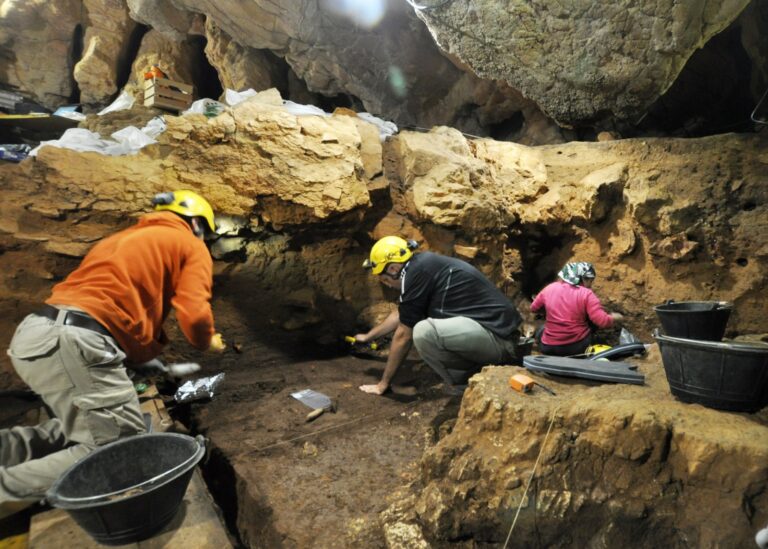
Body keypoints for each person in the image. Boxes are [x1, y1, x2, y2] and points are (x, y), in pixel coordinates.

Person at [1, 190, 226, 519]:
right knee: (119, 449)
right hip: (75, 340)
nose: (204, 238)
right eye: (204, 230)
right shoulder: (189, 244)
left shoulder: (121, 240)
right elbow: (194, 315)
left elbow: (114, 308)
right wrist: (209, 341)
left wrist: (140, 358)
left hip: (38, 333)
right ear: (194, 223)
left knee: (71, 429)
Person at [356, 236, 522, 396]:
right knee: (426, 329)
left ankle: (465, 381)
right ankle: (475, 370)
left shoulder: (416, 274)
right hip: (498, 334)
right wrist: (368, 337)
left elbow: (403, 335)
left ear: (393, 269)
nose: (389, 285)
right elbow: (402, 312)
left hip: (502, 342)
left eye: (385, 280)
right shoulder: (421, 265)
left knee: (424, 331)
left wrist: (383, 384)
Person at [530, 261, 623, 357]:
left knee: (543, 328)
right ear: (583, 279)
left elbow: (533, 308)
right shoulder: (587, 294)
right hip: (575, 347)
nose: (591, 284)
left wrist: (549, 310)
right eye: (590, 280)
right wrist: (614, 317)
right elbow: (601, 321)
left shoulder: (549, 288)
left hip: (548, 347)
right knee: (591, 326)